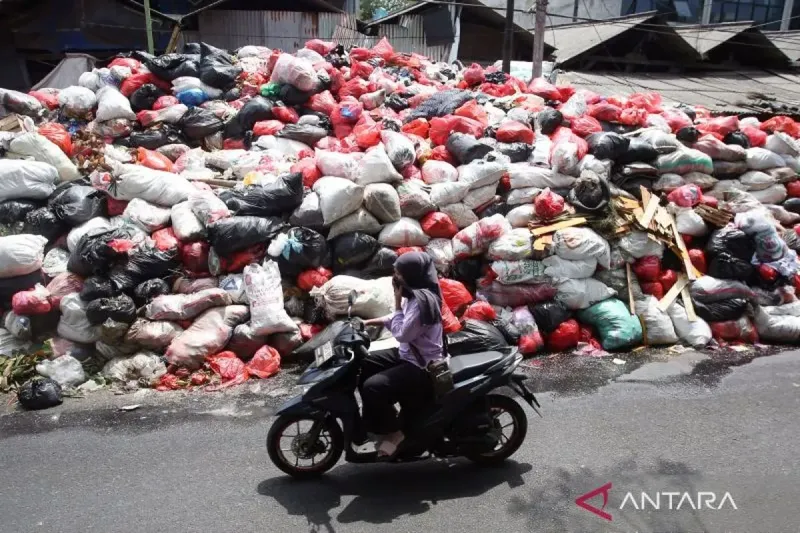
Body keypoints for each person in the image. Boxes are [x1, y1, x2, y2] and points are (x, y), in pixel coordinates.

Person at [360, 251, 445, 457]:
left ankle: (394, 433)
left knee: (373, 387)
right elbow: (399, 318)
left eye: (398, 273)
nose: (394, 277)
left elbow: (402, 333)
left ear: (411, 274)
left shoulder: (422, 302)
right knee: (364, 363)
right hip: (408, 354)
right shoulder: (415, 293)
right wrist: (368, 322)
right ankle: (375, 423)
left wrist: (397, 302)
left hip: (421, 365)